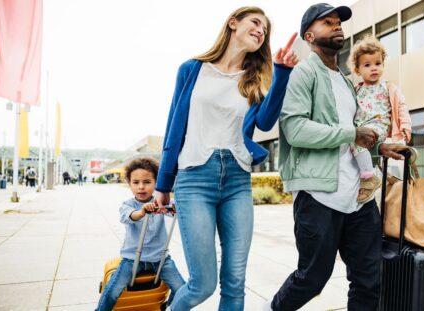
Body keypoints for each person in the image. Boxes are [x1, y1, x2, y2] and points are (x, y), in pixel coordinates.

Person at [153, 6, 298, 310]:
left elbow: (267, 122)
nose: (261, 30)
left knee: (234, 283)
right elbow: (173, 128)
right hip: (194, 179)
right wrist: (163, 182)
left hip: (236, 179)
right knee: (202, 284)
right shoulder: (192, 69)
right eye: (255, 23)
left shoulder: (255, 79)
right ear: (233, 23)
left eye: (265, 30)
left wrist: (282, 72)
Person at [266, 4, 407, 310]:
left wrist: (378, 146)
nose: (337, 26)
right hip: (319, 195)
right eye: (327, 22)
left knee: (369, 278)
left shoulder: (345, 81)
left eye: (338, 22)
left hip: (358, 197)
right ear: (309, 35)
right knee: (312, 278)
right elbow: (295, 129)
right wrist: (352, 134)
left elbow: (350, 137)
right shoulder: (304, 73)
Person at [95, 157, 185, 311]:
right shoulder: (128, 205)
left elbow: (175, 210)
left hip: (160, 259)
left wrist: (174, 207)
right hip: (132, 259)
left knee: (182, 289)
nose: (141, 187)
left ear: (156, 183)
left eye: (147, 182)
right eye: (136, 182)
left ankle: (167, 306)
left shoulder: (160, 202)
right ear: (129, 184)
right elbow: (129, 216)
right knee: (112, 291)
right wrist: (142, 211)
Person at [349, 35, 412, 203]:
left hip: (378, 126)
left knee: (357, 142)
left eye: (378, 63)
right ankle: (367, 174)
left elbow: (401, 106)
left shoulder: (388, 87)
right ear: (357, 70)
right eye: (367, 65)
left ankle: (368, 177)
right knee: (352, 143)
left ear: (383, 64)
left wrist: (405, 125)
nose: (373, 68)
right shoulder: (356, 90)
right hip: (361, 128)